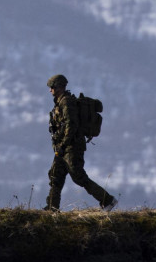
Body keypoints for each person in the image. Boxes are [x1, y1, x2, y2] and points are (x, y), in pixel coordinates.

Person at [44, 74, 116, 211]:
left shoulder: (66, 102)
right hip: (64, 147)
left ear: (59, 87)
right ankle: (52, 209)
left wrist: (63, 144)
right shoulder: (60, 103)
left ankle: (107, 200)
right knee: (55, 176)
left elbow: (71, 125)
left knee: (78, 176)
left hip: (72, 146)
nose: (50, 90)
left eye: (52, 87)